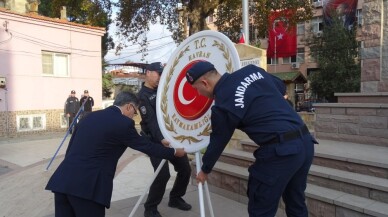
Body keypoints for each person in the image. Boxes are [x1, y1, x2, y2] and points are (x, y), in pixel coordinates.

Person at [186, 61, 317, 217]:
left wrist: (204, 170)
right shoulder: (251, 70)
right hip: (306, 143)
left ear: (204, 83)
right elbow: (280, 87)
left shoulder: (223, 103)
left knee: (261, 208)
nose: (198, 93)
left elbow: (218, 141)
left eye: (196, 89)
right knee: (296, 202)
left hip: (281, 152)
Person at [46, 91, 186, 217]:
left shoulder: (88, 117)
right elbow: (146, 147)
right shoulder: (123, 123)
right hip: (87, 189)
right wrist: (174, 152)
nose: (133, 116)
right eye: (135, 112)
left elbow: (71, 148)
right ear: (129, 107)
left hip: (62, 181)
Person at [138, 62, 192, 217]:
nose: (161, 77)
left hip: (171, 139)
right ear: (148, 73)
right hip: (155, 141)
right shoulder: (143, 96)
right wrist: (161, 138)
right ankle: (150, 209)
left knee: (185, 169)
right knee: (162, 175)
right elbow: (151, 121)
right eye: (158, 73)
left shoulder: (162, 91)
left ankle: (175, 198)